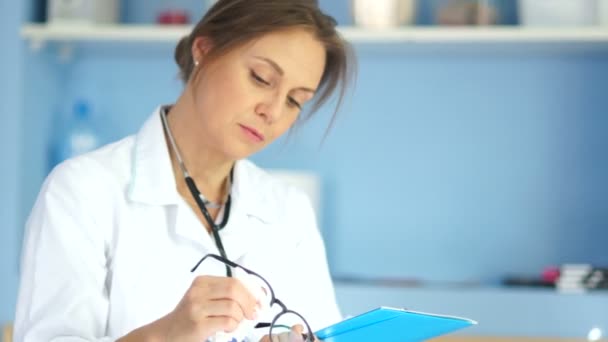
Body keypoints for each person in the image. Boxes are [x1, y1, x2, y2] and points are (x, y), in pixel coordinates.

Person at [14, 0, 355, 341]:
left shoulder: (289, 212)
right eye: (261, 78)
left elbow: (320, 332)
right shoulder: (84, 190)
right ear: (204, 49)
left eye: (295, 100)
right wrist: (167, 334)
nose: (274, 111)